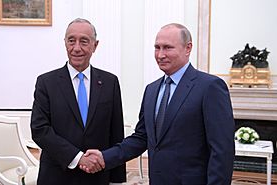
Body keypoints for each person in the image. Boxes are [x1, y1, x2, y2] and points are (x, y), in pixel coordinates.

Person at [82, 23, 235, 185]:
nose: (160, 55)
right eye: (157, 47)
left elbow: (222, 151)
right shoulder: (151, 90)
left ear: (188, 48)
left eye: (168, 48)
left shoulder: (210, 87)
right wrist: (105, 157)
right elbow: (142, 138)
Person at [30, 18, 126, 185]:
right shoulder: (46, 82)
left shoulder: (110, 82)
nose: (76, 48)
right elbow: (40, 130)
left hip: (98, 176)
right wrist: (78, 158)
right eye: (71, 41)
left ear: (95, 45)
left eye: (84, 41)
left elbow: (116, 132)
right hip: (56, 175)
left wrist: (117, 179)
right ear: (65, 43)